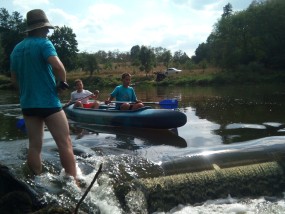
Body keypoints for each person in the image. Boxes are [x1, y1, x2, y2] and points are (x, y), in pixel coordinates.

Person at [10, 9, 78, 183]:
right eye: (46, 28)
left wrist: (26, 92)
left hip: (28, 104)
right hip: (49, 102)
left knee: (34, 146)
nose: (48, 31)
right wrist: (62, 84)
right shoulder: (44, 43)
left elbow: (14, 80)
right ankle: (74, 184)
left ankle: (38, 183)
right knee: (65, 144)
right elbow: (58, 67)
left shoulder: (16, 50)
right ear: (40, 28)